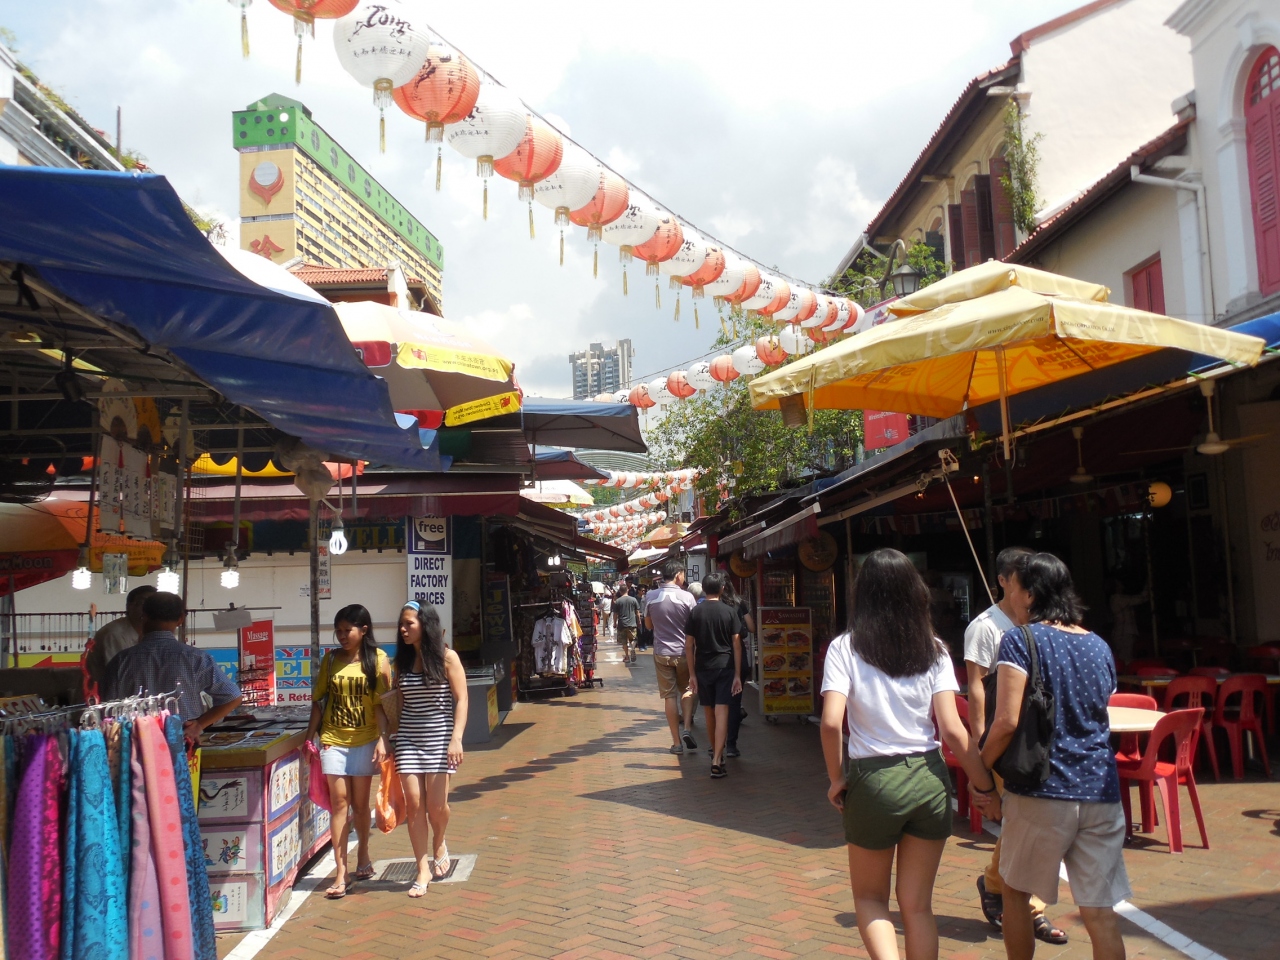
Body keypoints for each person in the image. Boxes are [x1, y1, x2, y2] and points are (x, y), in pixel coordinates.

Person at [819, 549, 996, 960]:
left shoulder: (844, 648)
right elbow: (953, 729)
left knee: (870, 898)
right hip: (929, 778)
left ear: (862, 593)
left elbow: (830, 723)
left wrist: (837, 778)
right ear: (915, 592)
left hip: (874, 780)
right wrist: (985, 786)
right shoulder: (934, 649)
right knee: (917, 906)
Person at [981, 552, 1130, 960]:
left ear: (1030, 594)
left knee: (1014, 892)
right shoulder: (1099, 646)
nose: (1010, 598)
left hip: (1042, 790)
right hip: (1100, 790)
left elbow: (1006, 721)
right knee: (1100, 912)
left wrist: (982, 766)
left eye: (1014, 588)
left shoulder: (1020, 640)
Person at [965, 549, 1066, 945]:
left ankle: (999, 888)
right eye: (1021, 578)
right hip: (1006, 741)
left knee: (1027, 825)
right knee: (1023, 824)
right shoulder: (986, 627)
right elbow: (976, 686)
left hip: (1040, 739)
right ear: (1004, 581)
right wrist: (981, 741)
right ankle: (1027, 907)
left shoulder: (1043, 624)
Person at [305, 604, 392, 900]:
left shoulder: (378, 660)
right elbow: (319, 701)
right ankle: (341, 872)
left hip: (366, 740)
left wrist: (383, 739)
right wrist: (310, 738)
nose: (342, 636)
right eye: (338, 631)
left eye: (347, 630)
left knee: (360, 804)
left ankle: (363, 853)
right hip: (333, 740)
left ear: (363, 630)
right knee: (339, 803)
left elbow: (383, 704)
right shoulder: (330, 660)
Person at [392, 601, 468, 897]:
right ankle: (422, 868)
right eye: (402, 624)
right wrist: (389, 738)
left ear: (426, 624)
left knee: (436, 807)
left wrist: (456, 738)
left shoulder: (447, 657)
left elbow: (461, 699)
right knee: (414, 805)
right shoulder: (402, 661)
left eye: (409, 624)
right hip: (408, 739)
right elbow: (399, 702)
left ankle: (439, 840)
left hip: (440, 738)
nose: (403, 629)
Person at [103, 591, 244, 741]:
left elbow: (107, 709)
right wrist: (198, 725)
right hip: (183, 743)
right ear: (181, 619)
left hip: (136, 746)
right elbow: (232, 696)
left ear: (143, 616)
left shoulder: (121, 661)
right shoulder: (195, 658)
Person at [685, 573, 741, 777]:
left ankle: (715, 753)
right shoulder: (729, 612)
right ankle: (718, 757)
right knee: (722, 711)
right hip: (725, 667)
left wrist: (692, 674)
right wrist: (737, 674)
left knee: (708, 711)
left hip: (702, 667)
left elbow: (689, 645)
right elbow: (736, 644)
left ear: (704, 589)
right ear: (722, 589)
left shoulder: (695, 612)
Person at [645, 559, 697, 754]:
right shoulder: (687, 597)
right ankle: (687, 728)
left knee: (669, 696)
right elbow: (695, 626)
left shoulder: (650, 596)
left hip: (661, 652)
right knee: (687, 689)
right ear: (677, 575)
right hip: (684, 652)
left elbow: (648, 625)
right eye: (683, 574)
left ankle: (676, 743)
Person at [85, 583, 157, 689]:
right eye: (143, 603)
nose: (148, 609)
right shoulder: (114, 634)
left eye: (154, 605)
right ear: (129, 606)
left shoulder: (147, 632)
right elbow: (121, 674)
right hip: (102, 695)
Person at [721, 580, 753, 759]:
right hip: (737, 659)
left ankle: (716, 744)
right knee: (734, 704)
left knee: (718, 703)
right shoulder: (739, 603)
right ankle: (731, 745)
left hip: (717, 660)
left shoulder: (711, 605)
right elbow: (752, 627)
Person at [613, 582, 640, 663]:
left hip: (622, 624)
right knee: (633, 639)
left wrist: (614, 623)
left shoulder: (618, 601)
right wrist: (639, 621)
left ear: (620, 591)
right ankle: (632, 648)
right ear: (627, 590)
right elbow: (637, 612)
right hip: (632, 623)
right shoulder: (633, 599)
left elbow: (615, 614)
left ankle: (627, 657)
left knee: (624, 641)